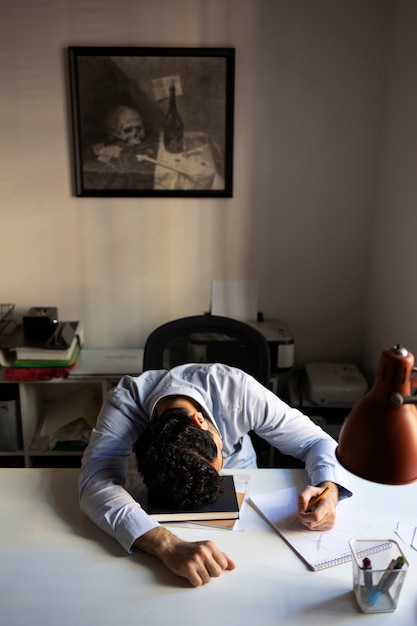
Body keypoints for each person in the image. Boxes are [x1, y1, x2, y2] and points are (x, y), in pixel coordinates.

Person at [79, 363, 352, 587]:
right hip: (164, 509)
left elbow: (316, 441)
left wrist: (329, 487)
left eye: (218, 460)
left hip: (247, 509)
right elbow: (96, 481)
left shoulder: (238, 391)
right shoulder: (124, 404)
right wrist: (166, 545)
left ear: (200, 421)